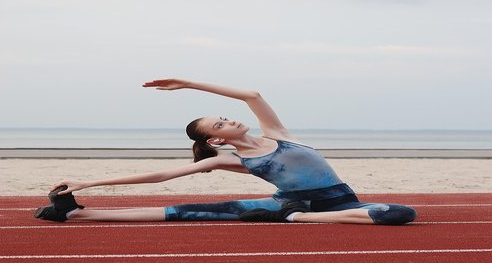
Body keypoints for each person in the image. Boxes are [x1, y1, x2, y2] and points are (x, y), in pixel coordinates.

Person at [34, 79, 417, 225]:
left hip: (339, 205)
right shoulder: (231, 159)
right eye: (220, 125)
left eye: (225, 118)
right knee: (185, 214)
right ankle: (78, 213)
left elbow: (252, 94)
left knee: (399, 213)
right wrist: (87, 182)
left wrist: (188, 83)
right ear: (216, 141)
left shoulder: (277, 133)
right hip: (288, 204)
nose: (230, 121)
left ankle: (297, 218)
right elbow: (160, 176)